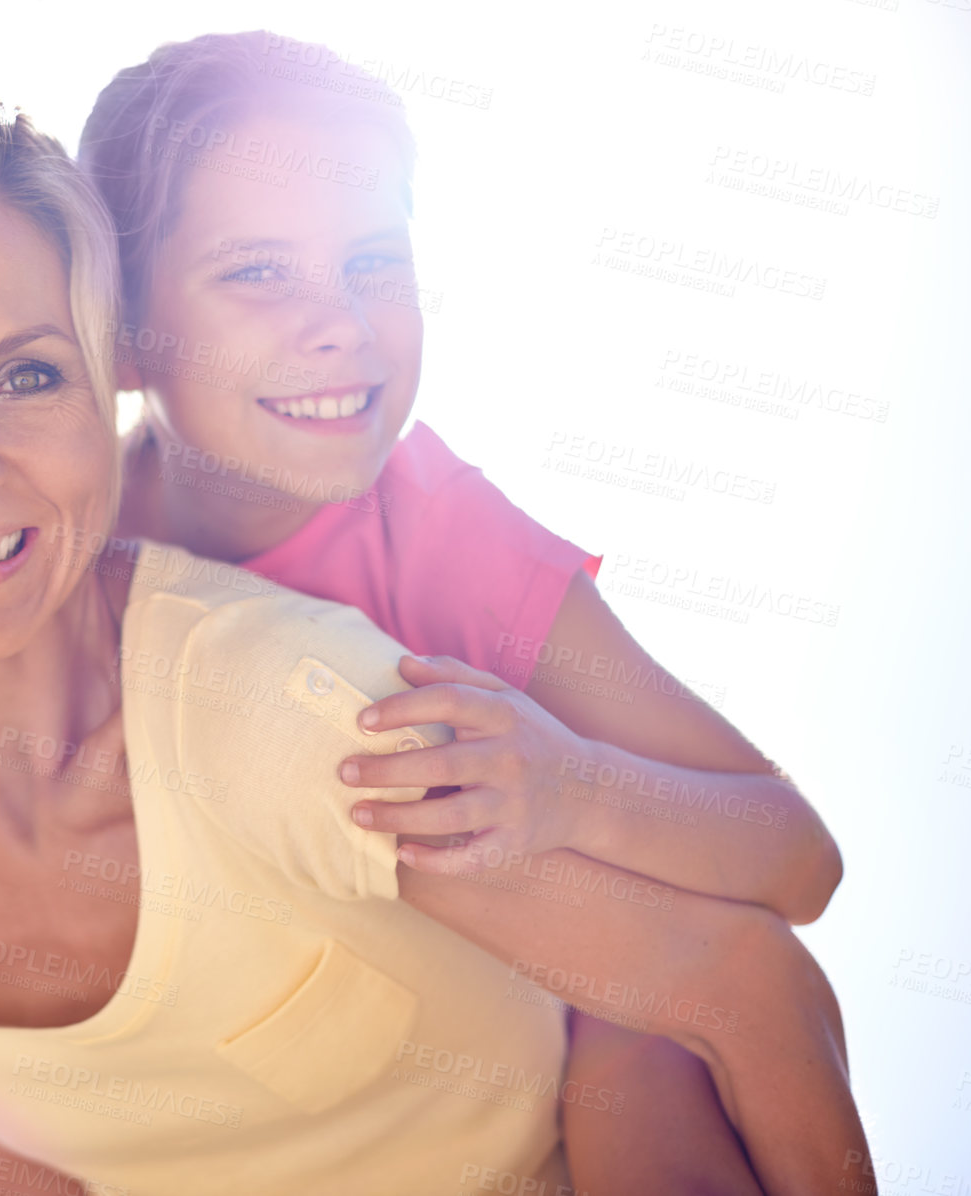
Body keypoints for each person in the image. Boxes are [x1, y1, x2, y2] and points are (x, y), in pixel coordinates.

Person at [0, 83, 863, 1196]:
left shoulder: (360, 616)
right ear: (137, 352)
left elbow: (775, 887)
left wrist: (565, 783)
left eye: (25, 376)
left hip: (558, 1018)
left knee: (633, 1070)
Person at [77, 31, 862, 1193]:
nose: (340, 320)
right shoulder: (65, 540)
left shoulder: (445, 536)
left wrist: (569, 785)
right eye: (256, 271)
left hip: (578, 1025)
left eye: (374, 262)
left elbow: (796, 859)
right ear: (125, 329)